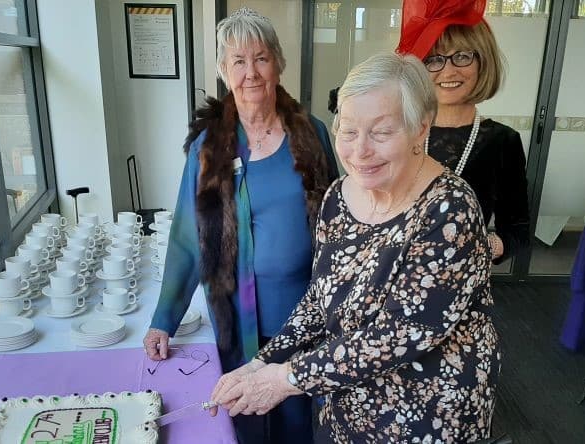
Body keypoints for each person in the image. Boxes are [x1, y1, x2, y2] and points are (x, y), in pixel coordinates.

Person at [210, 52, 500, 443]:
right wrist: (264, 360)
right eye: (347, 131)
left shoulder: (450, 209)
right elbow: (320, 297)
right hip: (347, 402)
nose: (359, 151)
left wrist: (287, 378)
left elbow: (399, 333)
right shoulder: (339, 196)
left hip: (427, 416)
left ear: (420, 129)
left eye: (381, 133)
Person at [142, 7, 338, 443]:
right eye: (238, 61)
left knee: (297, 423)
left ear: (278, 64)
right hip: (238, 315)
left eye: (261, 57)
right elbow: (188, 237)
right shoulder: (209, 147)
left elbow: (340, 222)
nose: (251, 72)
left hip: (303, 316)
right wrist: (163, 319)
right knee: (243, 418)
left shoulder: (313, 134)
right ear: (223, 71)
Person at [396, 0, 530, 264]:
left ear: (483, 61)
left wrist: (483, 247)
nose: (448, 70)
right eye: (434, 59)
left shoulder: (503, 141)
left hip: (461, 285)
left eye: (462, 56)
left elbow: (518, 229)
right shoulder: (400, 132)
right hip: (393, 280)